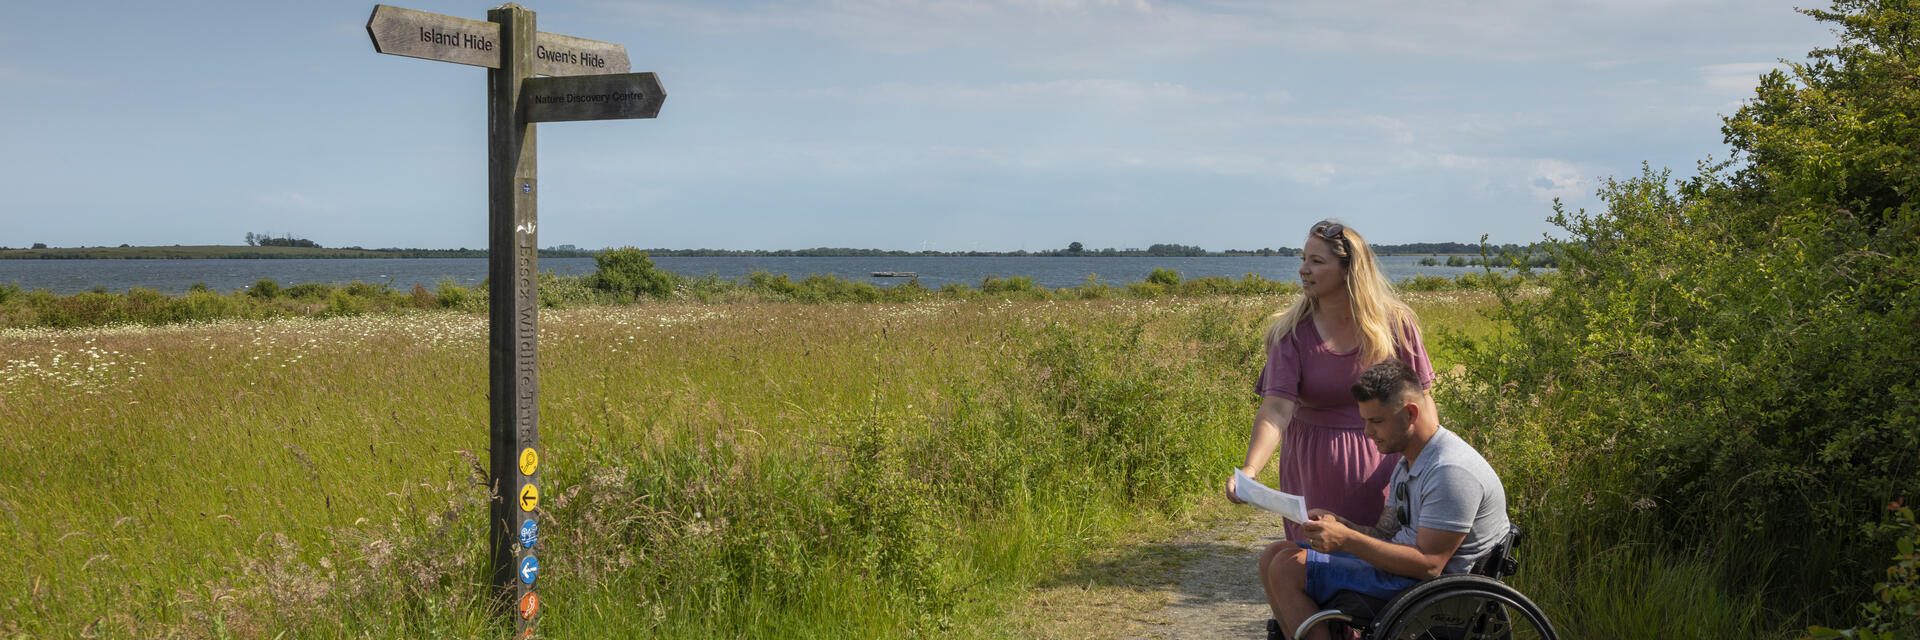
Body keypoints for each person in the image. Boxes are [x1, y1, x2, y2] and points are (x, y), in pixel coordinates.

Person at [1258, 359, 1509, 640]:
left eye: (1376, 421)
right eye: (1364, 420)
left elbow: (1430, 565)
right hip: (1400, 577)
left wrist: (1347, 540)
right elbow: (1383, 534)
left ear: (1411, 413)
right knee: (1274, 554)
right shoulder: (1408, 464)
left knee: (1288, 568)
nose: (1367, 432)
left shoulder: (1450, 472)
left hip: (1430, 594)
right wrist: (1340, 525)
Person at [1225, 219, 1434, 545]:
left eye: (1316, 261)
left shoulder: (1397, 324)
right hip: (1311, 468)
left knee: (1380, 560)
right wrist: (1250, 471)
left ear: (1349, 271)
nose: (1303, 270)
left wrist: (1434, 465)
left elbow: (1421, 402)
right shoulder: (1292, 332)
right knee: (1310, 564)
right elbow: (1276, 410)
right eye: (1303, 259)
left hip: (1386, 464)